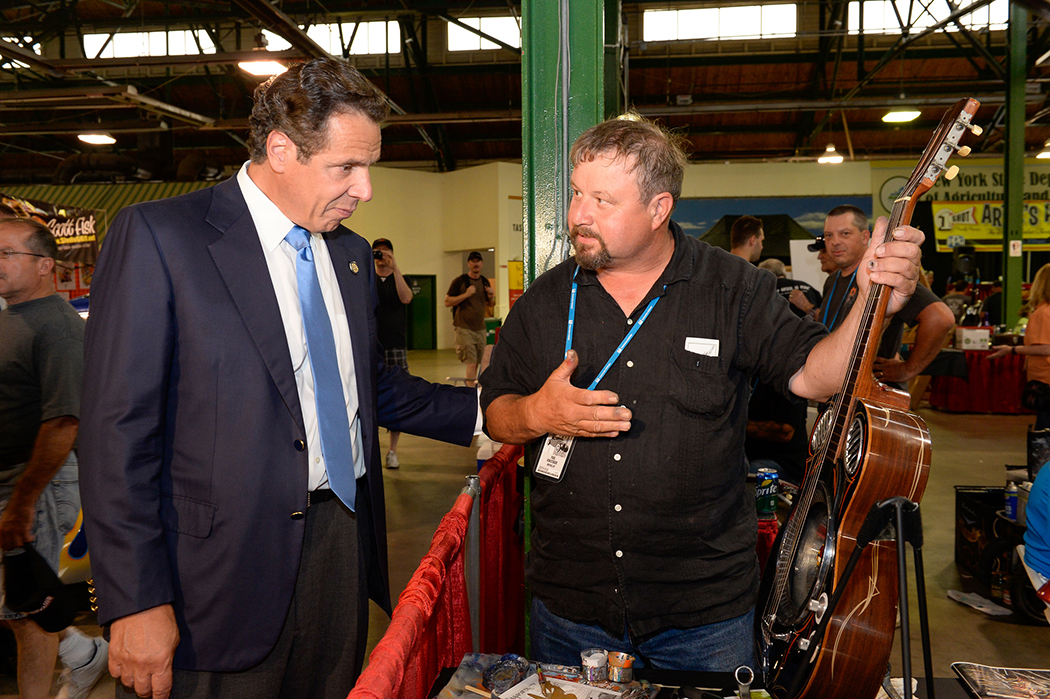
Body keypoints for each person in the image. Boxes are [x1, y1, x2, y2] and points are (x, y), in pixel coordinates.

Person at [78, 57, 478, 699]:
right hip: (212, 573)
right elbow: (115, 436)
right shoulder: (162, 238)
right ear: (281, 149)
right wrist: (133, 599)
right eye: (347, 167)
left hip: (338, 542)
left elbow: (366, 387)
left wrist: (492, 413)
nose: (365, 189)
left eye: (369, 166)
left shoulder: (348, 254)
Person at [479, 115, 924, 671]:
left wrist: (871, 301)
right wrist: (537, 412)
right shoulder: (545, 302)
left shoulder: (734, 289)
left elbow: (817, 375)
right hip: (570, 610)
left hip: (702, 616)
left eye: (602, 200)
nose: (578, 215)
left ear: (659, 208)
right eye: (576, 194)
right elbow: (497, 414)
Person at [0, 217, 108, 699]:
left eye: (7, 254)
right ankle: (82, 652)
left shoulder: (59, 327)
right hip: (12, 479)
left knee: (26, 613)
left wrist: (23, 501)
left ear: (44, 265)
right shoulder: (9, 317)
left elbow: (65, 422)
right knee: (17, 601)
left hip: (33, 481)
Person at [819, 204, 954, 387]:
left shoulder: (882, 275)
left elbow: (941, 318)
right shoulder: (832, 281)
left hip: (875, 398)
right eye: (829, 235)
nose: (835, 242)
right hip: (836, 391)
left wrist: (908, 369)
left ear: (865, 236)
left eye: (845, 234)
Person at [989, 264, 1050, 429]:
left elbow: (1045, 348)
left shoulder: (1043, 313)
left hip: (1046, 379)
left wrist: (1012, 350)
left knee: (1044, 432)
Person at [372, 237, 414, 470]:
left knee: (396, 395)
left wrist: (395, 267)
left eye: (384, 253)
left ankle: (392, 451)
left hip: (395, 345)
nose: (380, 257)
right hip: (370, 344)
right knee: (369, 396)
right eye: (376, 253)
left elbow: (406, 298)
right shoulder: (367, 278)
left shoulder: (401, 278)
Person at [445, 250, 494, 387]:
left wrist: (491, 296)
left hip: (480, 328)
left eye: (478, 261)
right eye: (472, 261)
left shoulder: (484, 282)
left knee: (482, 362)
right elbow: (447, 301)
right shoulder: (460, 281)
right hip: (464, 328)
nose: (475, 264)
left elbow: (490, 305)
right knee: (471, 363)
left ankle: (480, 391)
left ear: (482, 263)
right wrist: (466, 295)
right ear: (468, 264)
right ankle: (471, 394)